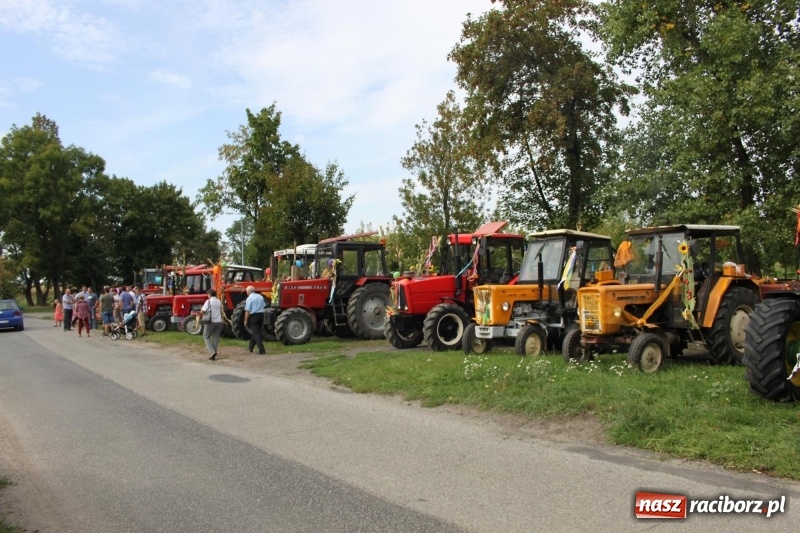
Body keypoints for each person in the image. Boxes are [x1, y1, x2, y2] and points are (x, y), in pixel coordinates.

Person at [200, 289, 223, 360]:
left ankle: (212, 351)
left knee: (206, 336)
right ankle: (214, 352)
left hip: (211, 321)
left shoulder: (208, 301)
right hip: (219, 321)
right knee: (216, 338)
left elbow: (203, 310)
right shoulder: (219, 301)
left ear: (209, 294)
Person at [244, 285, 266, 355]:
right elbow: (264, 306)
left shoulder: (249, 298)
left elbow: (247, 310)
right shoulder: (260, 296)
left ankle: (261, 350)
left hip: (254, 316)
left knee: (256, 334)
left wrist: (245, 320)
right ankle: (250, 347)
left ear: (248, 292)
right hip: (261, 315)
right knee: (256, 332)